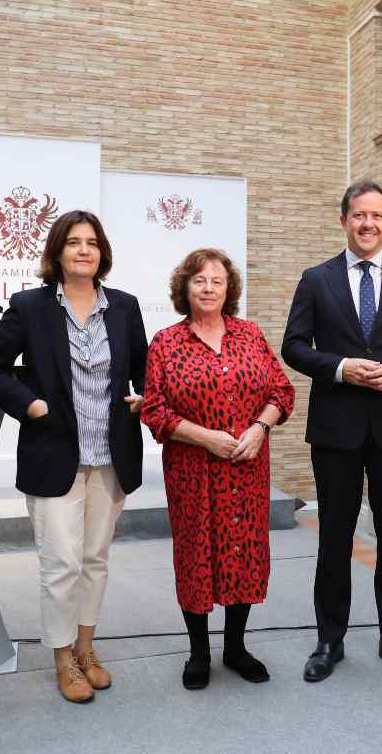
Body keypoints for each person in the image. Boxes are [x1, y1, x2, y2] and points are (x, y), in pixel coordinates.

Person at [0, 210, 148, 703]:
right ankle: (61, 659)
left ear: (103, 253)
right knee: (61, 565)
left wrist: (145, 397)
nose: (83, 250)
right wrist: (29, 404)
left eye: (92, 243)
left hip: (111, 455)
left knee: (95, 560)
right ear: (57, 252)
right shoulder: (30, 306)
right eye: (73, 242)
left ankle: (86, 649)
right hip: (53, 454)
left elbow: (143, 371)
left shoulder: (124, 306)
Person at [282, 180, 382, 683]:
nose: (367, 223)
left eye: (376, 215)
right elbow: (293, 346)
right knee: (334, 535)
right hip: (336, 430)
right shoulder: (315, 279)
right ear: (344, 220)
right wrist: (339, 367)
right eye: (358, 215)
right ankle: (330, 639)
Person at [141, 248, 294, 690]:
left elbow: (281, 391)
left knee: (242, 554)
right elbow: (153, 410)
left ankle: (235, 647)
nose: (208, 288)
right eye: (199, 281)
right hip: (192, 472)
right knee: (196, 556)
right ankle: (198, 653)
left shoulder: (250, 334)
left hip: (247, 469)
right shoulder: (166, 343)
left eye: (217, 282)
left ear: (229, 290)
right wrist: (204, 436)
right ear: (184, 288)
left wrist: (260, 428)